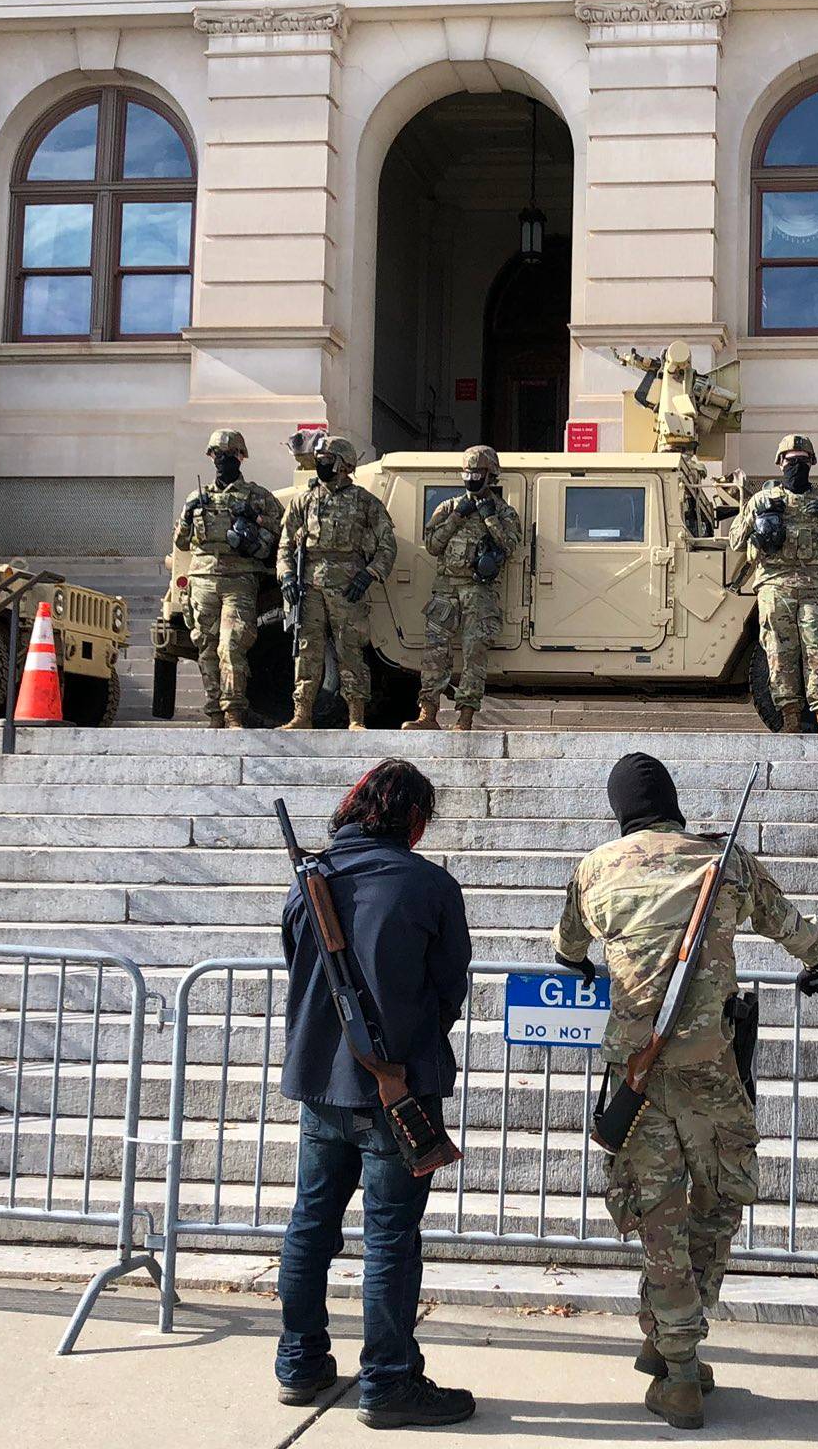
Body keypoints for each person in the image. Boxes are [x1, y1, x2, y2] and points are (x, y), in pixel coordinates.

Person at [552, 753, 818, 1431]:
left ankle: (674, 1358)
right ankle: (679, 1351)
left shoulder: (596, 867)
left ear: (620, 809)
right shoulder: (725, 861)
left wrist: (586, 961)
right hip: (713, 1074)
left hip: (639, 1081)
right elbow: (792, 928)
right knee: (716, 1208)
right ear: (674, 803)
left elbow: (567, 949)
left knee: (659, 1221)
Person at [275, 758, 475, 1429]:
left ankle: (300, 1363)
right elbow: (449, 989)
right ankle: (388, 1381)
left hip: (321, 1086)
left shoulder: (313, 881)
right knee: (390, 1237)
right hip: (398, 1088)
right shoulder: (430, 885)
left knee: (311, 1223)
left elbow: (298, 968)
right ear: (414, 820)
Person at [726, 434, 818, 735]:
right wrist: (758, 519)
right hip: (776, 586)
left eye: (802, 460)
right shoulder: (762, 501)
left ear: (811, 463)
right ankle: (789, 718)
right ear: (780, 464)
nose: (796, 465)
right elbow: (735, 541)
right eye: (790, 460)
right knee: (779, 653)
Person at [277, 434, 396, 732]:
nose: (321, 465)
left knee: (350, 649)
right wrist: (287, 575)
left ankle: (356, 717)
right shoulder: (303, 501)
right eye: (319, 460)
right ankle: (302, 714)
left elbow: (387, 546)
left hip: (348, 586)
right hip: (309, 586)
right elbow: (284, 545)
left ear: (343, 466)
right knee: (307, 649)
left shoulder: (366, 503)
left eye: (327, 460)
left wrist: (370, 574)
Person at [408, 445, 522, 732]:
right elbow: (433, 546)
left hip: (479, 594)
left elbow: (510, 547)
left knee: (474, 654)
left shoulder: (504, 511)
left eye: (478, 472)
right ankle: (428, 715)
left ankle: (465, 718)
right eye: (468, 472)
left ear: (491, 474)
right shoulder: (447, 508)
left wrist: (489, 517)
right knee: (435, 653)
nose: (472, 477)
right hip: (446, 590)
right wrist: (458, 515)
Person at [175, 430, 283, 729]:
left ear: (239, 457)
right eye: (216, 455)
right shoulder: (197, 497)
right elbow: (182, 542)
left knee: (232, 646)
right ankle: (214, 713)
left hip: (239, 581)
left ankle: (234, 710)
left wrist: (254, 518)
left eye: (226, 455)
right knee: (207, 648)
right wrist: (187, 518)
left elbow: (283, 529)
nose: (220, 461)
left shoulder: (257, 496)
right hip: (203, 580)